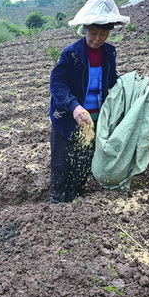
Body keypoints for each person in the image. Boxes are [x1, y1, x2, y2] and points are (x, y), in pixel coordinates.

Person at [48, 23, 121, 203]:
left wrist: (129, 85)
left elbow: (111, 78)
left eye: (103, 34)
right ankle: (56, 200)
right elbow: (57, 83)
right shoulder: (71, 54)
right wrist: (74, 107)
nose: (98, 38)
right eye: (93, 33)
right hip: (68, 116)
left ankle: (75, 196)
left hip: (95, 117)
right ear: (85, 31)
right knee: (62, 160)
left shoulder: (109, 52)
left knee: (84, 159)